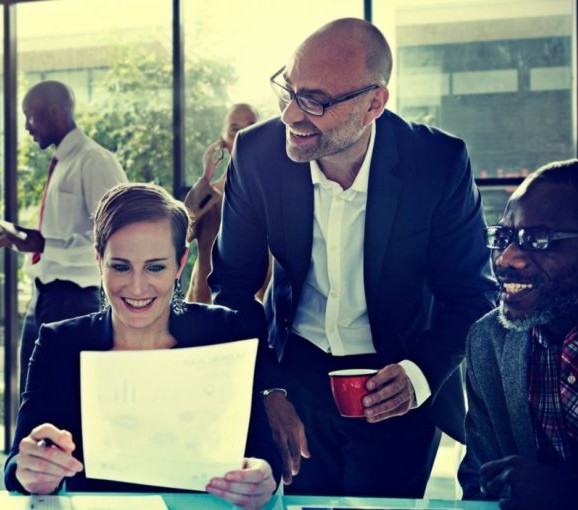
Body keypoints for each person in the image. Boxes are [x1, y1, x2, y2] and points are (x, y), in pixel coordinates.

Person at [209, 18, 496, 497]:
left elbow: (472, 294)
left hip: (397, 379)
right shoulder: (256, 154)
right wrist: (267, 388)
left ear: (373, 104)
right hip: (293, 375)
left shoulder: (438, 163)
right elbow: (232, 287)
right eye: (289, 90)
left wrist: (419, 374)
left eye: (316, 101)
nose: (292, 116)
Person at [4, 183, 278, 509]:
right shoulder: (59, 343)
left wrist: (263, 477)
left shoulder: (227, 332)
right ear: (98, 261)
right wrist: (30, 471)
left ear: (180, 264)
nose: (136, 287)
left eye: (155, 267)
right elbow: (18, 462)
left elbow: (263, 452)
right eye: (120, 266)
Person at [0, 80, 127, 394]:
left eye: (31, 116)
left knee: (64, 396)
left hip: (76, 299)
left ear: (55, 111)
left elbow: (117, 237)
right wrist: (13, 239)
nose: (27, 127)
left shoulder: (94, 161)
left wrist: (41, 243)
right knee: (34, 392)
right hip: (45, 296)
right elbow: (62, 235)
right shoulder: (61, 163)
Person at [458, 159, 578, 509]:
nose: (508, 258)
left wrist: (565, 493)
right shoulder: (489, 341)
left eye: (538, 239)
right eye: (505, 237)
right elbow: (480, 482)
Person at [183, 103, 266, 304]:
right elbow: (179, 234)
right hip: (206, 311)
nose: (243, 135)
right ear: (223, 141)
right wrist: (206, 177)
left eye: (251, 127)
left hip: (260, 311)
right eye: (235, 129)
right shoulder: (210, 196)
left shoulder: (273, 193)